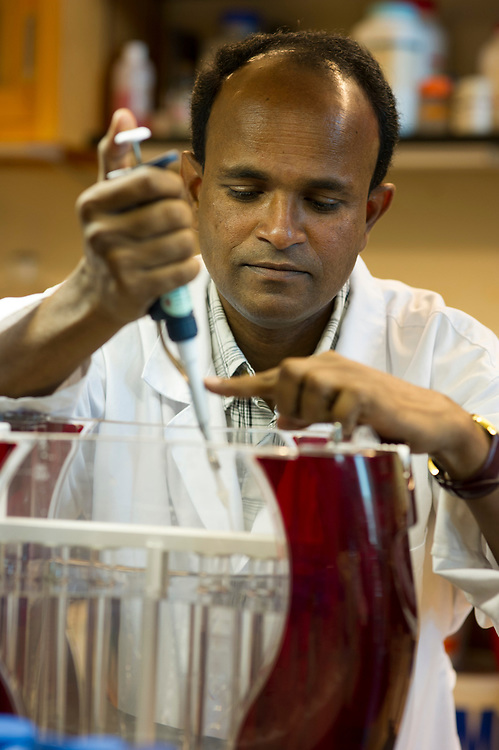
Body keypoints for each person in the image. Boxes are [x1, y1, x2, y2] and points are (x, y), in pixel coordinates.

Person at [0, 29, 498, 748]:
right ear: (196, 188)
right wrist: (87, 302)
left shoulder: (449, 358)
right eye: (245, 189)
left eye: (323, 201)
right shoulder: (106, 325)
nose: (278, 230)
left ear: (371, 210)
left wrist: (465, 446)